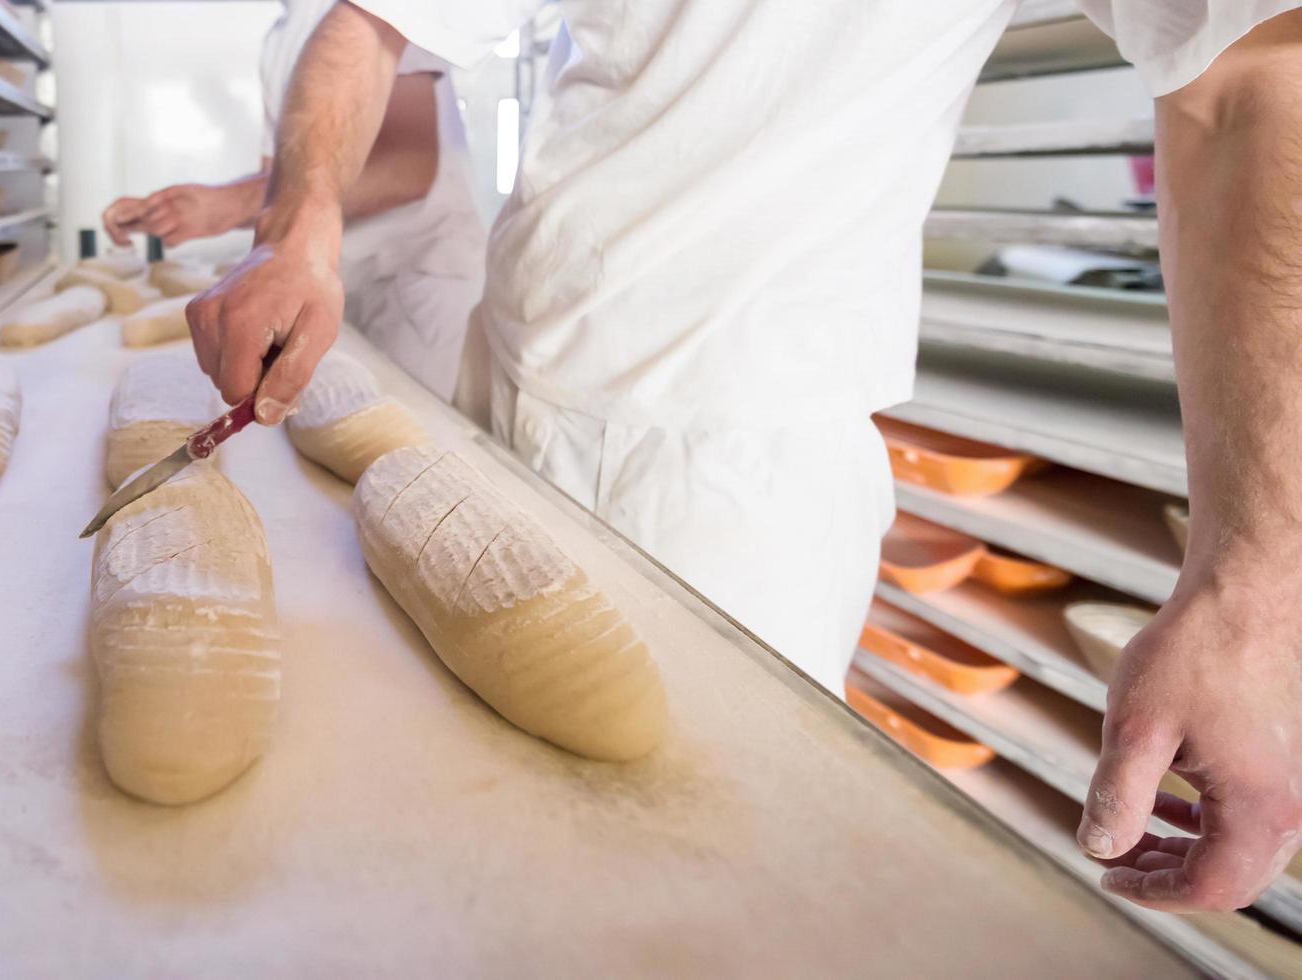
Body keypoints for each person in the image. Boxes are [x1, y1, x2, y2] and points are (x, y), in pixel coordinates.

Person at [188, 0, 1302, 915]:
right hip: (508, 372)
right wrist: (297, 231)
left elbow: (1243, 75)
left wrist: (1253, 588)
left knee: (680, 893)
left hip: (735, 476)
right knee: (457, 846)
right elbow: (372, 21)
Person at [100, 0, 486, 400]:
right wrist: (199, 210)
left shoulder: (376, 11)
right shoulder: (280, 40)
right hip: (337, 285)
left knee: (412, 439)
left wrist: (228, 203)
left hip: (414, 286)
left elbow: (409, 168)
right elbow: (282, 188)